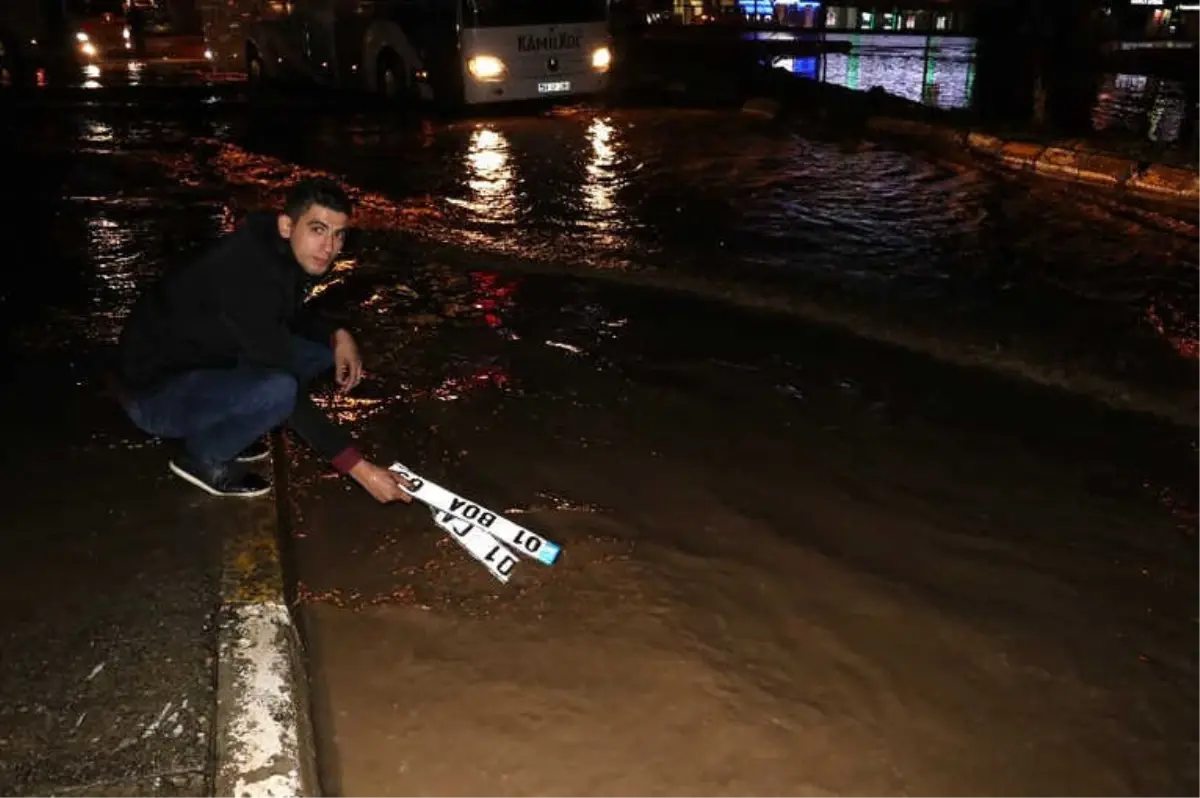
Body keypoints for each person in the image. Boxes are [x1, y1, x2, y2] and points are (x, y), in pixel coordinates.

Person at [115, 178, 415, 503]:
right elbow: (285, 381)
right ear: (288, 225)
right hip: (154, 398)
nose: (329, 248)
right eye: (318, 229)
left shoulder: (276, 250)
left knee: (318, 353)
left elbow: (286, 315)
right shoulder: (248, 273)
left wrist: (338, 335)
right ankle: (202, 457)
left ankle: (227, 428)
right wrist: (360, 469)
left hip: (201, 362)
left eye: (338, 234)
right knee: (280, 389)